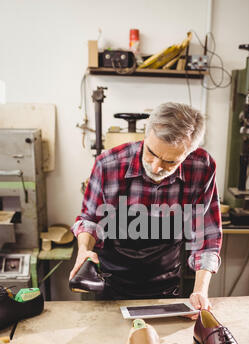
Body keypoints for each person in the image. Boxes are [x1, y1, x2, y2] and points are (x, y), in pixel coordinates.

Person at [70, 102, 222, 318]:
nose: (156, 167)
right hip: (109, 285)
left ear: (189, 152)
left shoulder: (202, 168)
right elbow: (90, 220)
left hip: (166, 287)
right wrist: (84, 249)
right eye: (151, 153)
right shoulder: (108, 164)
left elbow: (207, 235)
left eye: (171, 162)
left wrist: (200, 290)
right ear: (146, 133)